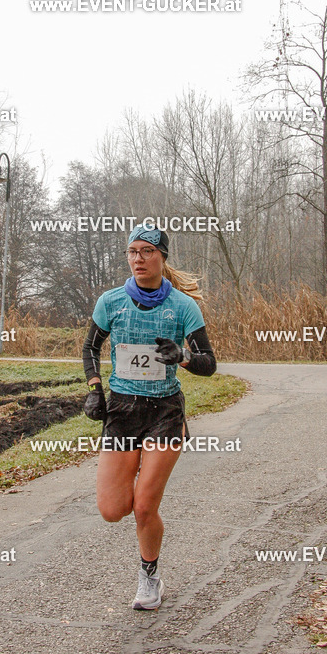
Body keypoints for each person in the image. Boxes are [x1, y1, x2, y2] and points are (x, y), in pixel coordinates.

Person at [82, 224, 217, 610]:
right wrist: (95, 389)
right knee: (113, 510)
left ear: (162, 257)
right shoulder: (110, 301)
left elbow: (209, 363)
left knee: (144, 506)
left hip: (164, 412)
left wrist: (185, 357)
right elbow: (90, 348)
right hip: (122, 410)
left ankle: (149, 575)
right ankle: (138, 497)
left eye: (146, 251)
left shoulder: (183, 306)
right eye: (132, 252)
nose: (138, 259)